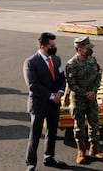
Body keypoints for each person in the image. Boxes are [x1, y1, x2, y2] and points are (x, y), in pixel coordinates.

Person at [23, 32, 66, 171]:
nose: (54, 48)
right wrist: (52, 96)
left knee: (52, 132)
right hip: (39, 103)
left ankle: (49, 157)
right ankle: (31, 163)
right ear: (42, 46)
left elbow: (61, 78)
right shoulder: (30, 62)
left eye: (55, 45)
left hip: (54, 103)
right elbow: (33, 85)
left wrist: (60, 92)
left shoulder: (56, 59)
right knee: (35, 135)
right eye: (51, 45)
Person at [65, 36, 103, 164]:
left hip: (92, 98)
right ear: (79, 49)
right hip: (78, 100)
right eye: (87, 48)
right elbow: (72, 84)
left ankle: (94, 147)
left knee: (94, 122)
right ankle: (81, 150)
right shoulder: (71, 64)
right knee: (79, 126)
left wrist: (94, 91)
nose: (89, 49)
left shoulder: (92, 60)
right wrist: (86, 93)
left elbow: (98, 77)